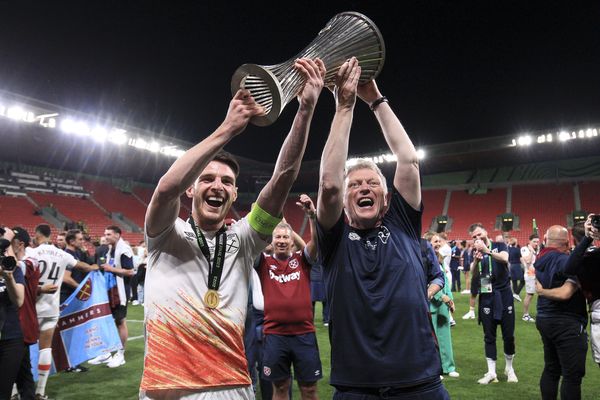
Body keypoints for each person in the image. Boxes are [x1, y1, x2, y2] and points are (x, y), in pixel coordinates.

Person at [140, 57, 325, 399]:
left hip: (232, 388)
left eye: (227, 181)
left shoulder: (244, 238)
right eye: (207, 178)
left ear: (235, 193)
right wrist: (227, 129)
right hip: (168, 389)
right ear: (191, 189)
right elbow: (166, 189)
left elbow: (283, 178)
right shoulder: (166, 234)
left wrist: (305, 111)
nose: (218, 186)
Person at [316, 57, 449, 398]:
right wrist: (344, 107)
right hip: (355, 388)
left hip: (420, 383)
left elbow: (409, 159)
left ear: (387, 199)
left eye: (372, 183)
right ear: (345, 201)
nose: (363, 188)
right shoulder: (334, 239)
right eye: (355, 185)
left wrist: (375, 99)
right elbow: (330, 183)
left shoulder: (403, 224)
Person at [256, 194, 321, 400]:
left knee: (309, 390)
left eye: (286, 237)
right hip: (275, 335)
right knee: (281, 388)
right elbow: (254, 240)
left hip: (304, 334)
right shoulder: (264, 262)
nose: (282, 241)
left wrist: (312, 215)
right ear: (272, 241)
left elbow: (316, 244)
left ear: (293, 242)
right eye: (278, 237)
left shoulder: (302, 260)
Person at [24, 224, 93, 399]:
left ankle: (16, 390)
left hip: (31, 307)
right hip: (51, 308)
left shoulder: (31, 253)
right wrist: (94, 268)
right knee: (45, 349)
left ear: (37, 234)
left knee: (21, 349)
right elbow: (81, 266)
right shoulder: (62, 254)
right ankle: (40, 391)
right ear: (50, 235)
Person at [534, 224, 592, 399]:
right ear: (567, 243)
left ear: (546, 241)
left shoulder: (541, 257)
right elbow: (566, 293)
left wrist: (542, 292)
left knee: (551, 369)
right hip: (566, 322)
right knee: (572, 376)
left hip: (545, 318)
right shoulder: (562, 259)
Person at [468, 223, 518, 384]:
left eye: (479, 234)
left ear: (485, 232)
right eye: (474, 237)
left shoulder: (499, 244)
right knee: (489, 336)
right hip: (487, 295)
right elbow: (473, 274)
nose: (477, 238)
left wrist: (487, 251)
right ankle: (491, 373)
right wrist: (476, 261)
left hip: (504, 295)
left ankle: (509, 368)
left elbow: (504, 258)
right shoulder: (474, 252)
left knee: (508, 335)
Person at [91, 225, 135, 368]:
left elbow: (130, 271)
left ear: (117, 235)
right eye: (105, 233)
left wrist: (111, 269)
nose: (106, 236)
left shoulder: (124, 250)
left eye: (109, 234)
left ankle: (120, 354)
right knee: (108, 321)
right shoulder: (112, 249)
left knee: (120, 322)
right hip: (111, 290)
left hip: (120, 292)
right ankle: (107, 352)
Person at [424, 232, 459, 378]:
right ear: (427, 244)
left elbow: (444, 283)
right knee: (432, 340)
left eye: (439, 241)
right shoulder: (423, 261)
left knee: (445, 338)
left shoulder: (441, 260)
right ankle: (435, 369)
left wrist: (450, 300)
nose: (438, 244)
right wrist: (441, 296)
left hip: (443, 306)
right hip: (430, 305)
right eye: (434, 242)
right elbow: (426, 285)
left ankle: (449, 367)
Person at [0, 227, 25, 400]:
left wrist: (8, 277)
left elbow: (19, 301)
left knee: (3, 392)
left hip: (11, 337)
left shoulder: (14, 269)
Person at [521, 234, 540, 323]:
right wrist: (532, 251)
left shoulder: (538, 249)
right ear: (529, 241)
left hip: (537, 274)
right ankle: (525, 315)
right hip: (530, 274)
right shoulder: (525, 249)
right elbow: (528, 260)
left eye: (537, 241)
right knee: (529, 294)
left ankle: (540, 312)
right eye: (534, 241)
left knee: (541, 293)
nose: (536, 243)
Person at [507, 237, 524, 302]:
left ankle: (516, 296)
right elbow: (521, 258)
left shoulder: (508, 249)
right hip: (517, 265)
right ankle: (516, 293)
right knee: (523, 281)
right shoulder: (518, 249)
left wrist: (509, 243)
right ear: (516, 242)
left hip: (511, 266)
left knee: (514, 281)